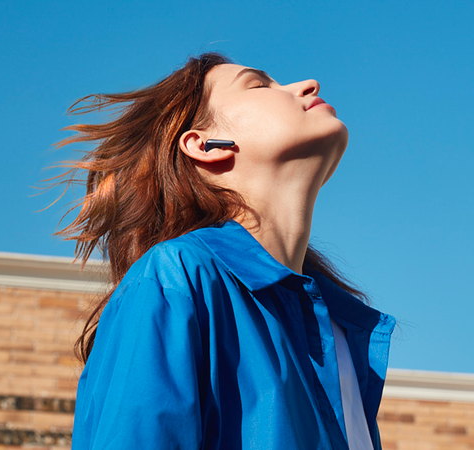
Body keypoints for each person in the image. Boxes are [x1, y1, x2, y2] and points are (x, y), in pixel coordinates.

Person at [52, 52, 395, 449]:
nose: (307, 85)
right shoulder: (175, 278)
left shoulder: (341, 330)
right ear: (205, 145)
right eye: (259, 84)